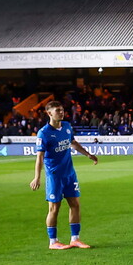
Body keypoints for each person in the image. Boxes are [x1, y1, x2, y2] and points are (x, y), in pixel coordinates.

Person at [29, 100, 98, 249]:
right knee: (54, 208)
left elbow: (73, 142)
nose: (61, 113)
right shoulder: (44, 133)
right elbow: (39, 157)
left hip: (70, 174)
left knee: (75, 205)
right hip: (55, 176)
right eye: (58, 111)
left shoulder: (66, 126)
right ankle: (53, 241)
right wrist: (37, 177)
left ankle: (75, 239)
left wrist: (88, 154)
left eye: (62, 110)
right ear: (49, 113)